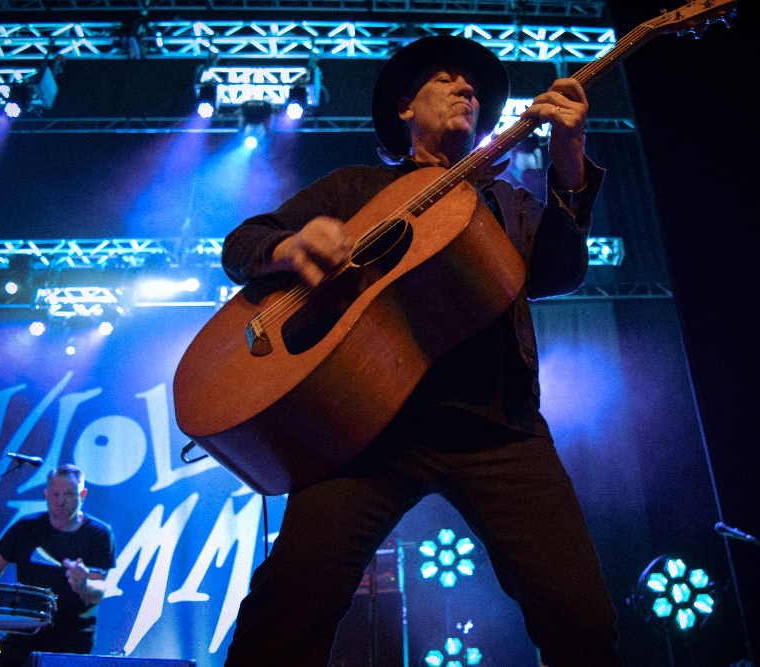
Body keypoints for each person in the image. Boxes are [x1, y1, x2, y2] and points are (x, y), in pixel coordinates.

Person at [220, 35, 620, 667]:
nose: (468, 88)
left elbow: (559, 272)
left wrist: (569, 156)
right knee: (288, 607)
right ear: (404, 108)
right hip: (365, 431)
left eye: (475, 87)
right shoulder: (356, 189)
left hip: (498, 428)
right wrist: (291, 248)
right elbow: (242, 244)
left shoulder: (508, 202)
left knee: (583, 619)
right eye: (446, 78)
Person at [0, 464, 116, 667]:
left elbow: (98, 592)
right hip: (23, 635)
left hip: (72, 639)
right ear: (47, 495)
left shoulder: (99, 534)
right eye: (56, 494)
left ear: (82, 494)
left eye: (69, 494)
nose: (61, 501)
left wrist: (83, 586)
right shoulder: (25, 527)